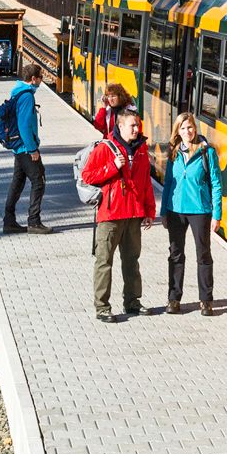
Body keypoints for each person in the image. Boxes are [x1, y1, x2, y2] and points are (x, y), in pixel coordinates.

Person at [81, 107, 156, 322]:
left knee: (132, 260)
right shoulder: (106, 148)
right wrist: (112, 167)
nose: (136, 128)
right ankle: (102, 307)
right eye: (132, 125)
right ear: (120, 126)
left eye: (138, 125)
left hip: (133, 214)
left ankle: (132, 301)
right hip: (110, 215)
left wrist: (149, 211)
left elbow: (145, 183)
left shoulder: (141, 149)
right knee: (104, 261)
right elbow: (87, 175)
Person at [160, 111, 221, 316]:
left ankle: (206, 300)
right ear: (177, 131)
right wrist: (163, 212)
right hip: (175, 210)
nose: (187, 131)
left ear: (195, 128)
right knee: (176, 254)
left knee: (203, 254)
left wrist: (217, 214)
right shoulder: (174, 152)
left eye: (190, 127)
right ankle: (173, 299)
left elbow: (216, 184)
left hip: (200, 210)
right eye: (183, 128)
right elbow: (168, 182)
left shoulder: (207, 152)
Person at [1, 62, 54, 235]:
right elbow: (24, 125)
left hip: (18, 147)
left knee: (17, 183)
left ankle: (9, 222)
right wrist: (32, 149)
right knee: (39, 182)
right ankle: (34, 222)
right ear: (33, 79)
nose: (41, 81)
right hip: (25, 148)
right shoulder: (26, 96)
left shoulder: (17, 91)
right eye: (40, 78)